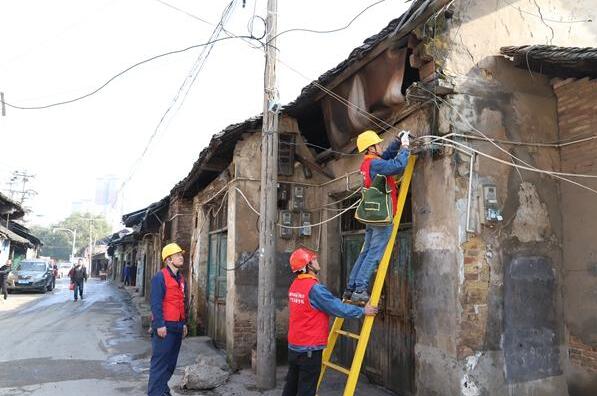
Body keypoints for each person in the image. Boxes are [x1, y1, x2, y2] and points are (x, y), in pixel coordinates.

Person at [282, 247, 378, 396]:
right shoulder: (315, 289)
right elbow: (337, 308)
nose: (316, 260)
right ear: (308, 266)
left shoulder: (295, 285)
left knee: (291, 386)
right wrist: (362, 311)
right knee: (306, 390)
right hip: (309, 349)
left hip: (294, 346)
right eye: (313, 259)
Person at [344, 130, 410, 304]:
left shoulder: (368, 164)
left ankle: (351, 288)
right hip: (382, 217)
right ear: (371, 148)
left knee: (365, 252)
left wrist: (396, 142)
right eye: (378, 144)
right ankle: (360, 289)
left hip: (372, 217)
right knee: (373, 254)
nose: (381, 146)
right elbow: (397, 166)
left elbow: (386, 158)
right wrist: (405, 147)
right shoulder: (375, 164)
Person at [147, 243, 188, 396]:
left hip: (177, 326)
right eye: (177, 255)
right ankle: (154, 393)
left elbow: (182, 302)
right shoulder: (160, 277)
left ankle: (162, 390)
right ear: (169, 260)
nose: (181, 257)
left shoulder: (181, 278)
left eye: (180, 254)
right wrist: (159, 325)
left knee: (170, 364)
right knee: (159, 364)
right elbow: (156, 303)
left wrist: (183, 324)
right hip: (165, 326)